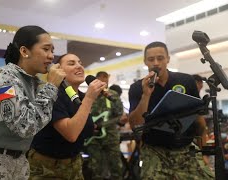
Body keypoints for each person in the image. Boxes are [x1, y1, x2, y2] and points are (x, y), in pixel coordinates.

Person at [0, 25, 66, 180]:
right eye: (46, 49)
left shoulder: (34, 83)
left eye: (52, 51)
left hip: (19, 163)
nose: (51, 56)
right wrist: (50, 87)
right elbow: (24, 126)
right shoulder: (3, 78)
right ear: (24, 51)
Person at [128, 41, 215, 179]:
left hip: (186, 147)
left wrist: (203, 152)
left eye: (160, 58)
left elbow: (198, 120)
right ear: (145, 62)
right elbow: (135, 124)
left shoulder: (186, 81)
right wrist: (146, 95)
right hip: (154, 150)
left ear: (168, 59)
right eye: (151, 59)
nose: (156, 63)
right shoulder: (137, 88)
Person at [28, 53, 106, 179]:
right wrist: (89, 98)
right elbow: (71, 134)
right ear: (59, 71)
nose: (79, 66)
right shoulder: (53, 95)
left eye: (80, 63)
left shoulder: (79, 96)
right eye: (71, 63)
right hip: (46, 167)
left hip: (74, 163)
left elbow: (84, 129)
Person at [86, 72, 124, 180]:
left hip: (111, 136)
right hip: (93, 139)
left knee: (116, 168)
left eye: (105, 78)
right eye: (101, 78)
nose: (104, 80)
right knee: (95, 169)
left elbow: (120, 115)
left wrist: (103, 124)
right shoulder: (89, 94)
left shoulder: (112, 94)